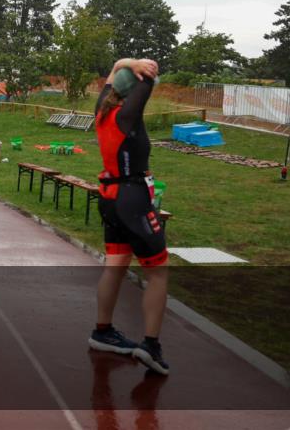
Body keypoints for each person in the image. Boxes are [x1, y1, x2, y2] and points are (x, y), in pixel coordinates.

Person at [88, 57, 169, 376]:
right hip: (132, 199)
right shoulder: (127, 116)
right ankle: (151, 344)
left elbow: (114, 72)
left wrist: (128, 64)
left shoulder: (102, 110)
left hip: (110, 197)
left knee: (116, 266)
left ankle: (103, 331)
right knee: (159, 272)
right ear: (133, 91)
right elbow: (148, 79)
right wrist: (144, 70)